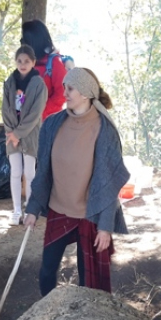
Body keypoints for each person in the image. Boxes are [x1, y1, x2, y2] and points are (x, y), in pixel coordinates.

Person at [23, 67, 129, 296]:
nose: (65, 93)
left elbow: (108, 184)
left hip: (89, 213)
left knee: (87, 278)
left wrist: (105, 227)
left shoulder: (104, 130)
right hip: (58, 208)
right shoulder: (52, 125)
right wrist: (32, 208)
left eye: (70, 88)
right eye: (64, 87)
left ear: (85, 92)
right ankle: (46, 316)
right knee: (47, 271)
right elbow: (43, 173)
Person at [1, 44, 47, 226]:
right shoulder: (9, 82)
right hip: (11, 134)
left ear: (33, 62)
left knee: (29, 172)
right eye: (19, 61)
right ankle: (16, 210)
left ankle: (30, 208)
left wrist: (19, 133)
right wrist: (11, 132)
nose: (22, 64)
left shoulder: (39, 84)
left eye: (26, 61)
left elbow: (36, 113)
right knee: (15, 171)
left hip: (30, 134)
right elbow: (5, 109)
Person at [20, 19, 66, 120]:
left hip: (48, 123)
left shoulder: (54, 63)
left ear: (35, 42)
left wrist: (40, 113)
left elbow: (62, 95)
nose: (22, 42)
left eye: (25, 40)